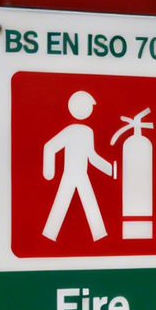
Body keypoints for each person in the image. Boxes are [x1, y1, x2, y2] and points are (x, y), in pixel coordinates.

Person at [42, 90, 113, 241]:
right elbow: (50, 147)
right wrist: (49, 172)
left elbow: (91, 156)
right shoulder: (71, 131)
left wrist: (110, 169)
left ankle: (99, 234)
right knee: (68, 200)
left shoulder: (88, 131)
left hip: (81, 174)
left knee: (86, 201)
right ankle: (50, 233)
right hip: (70, 174)